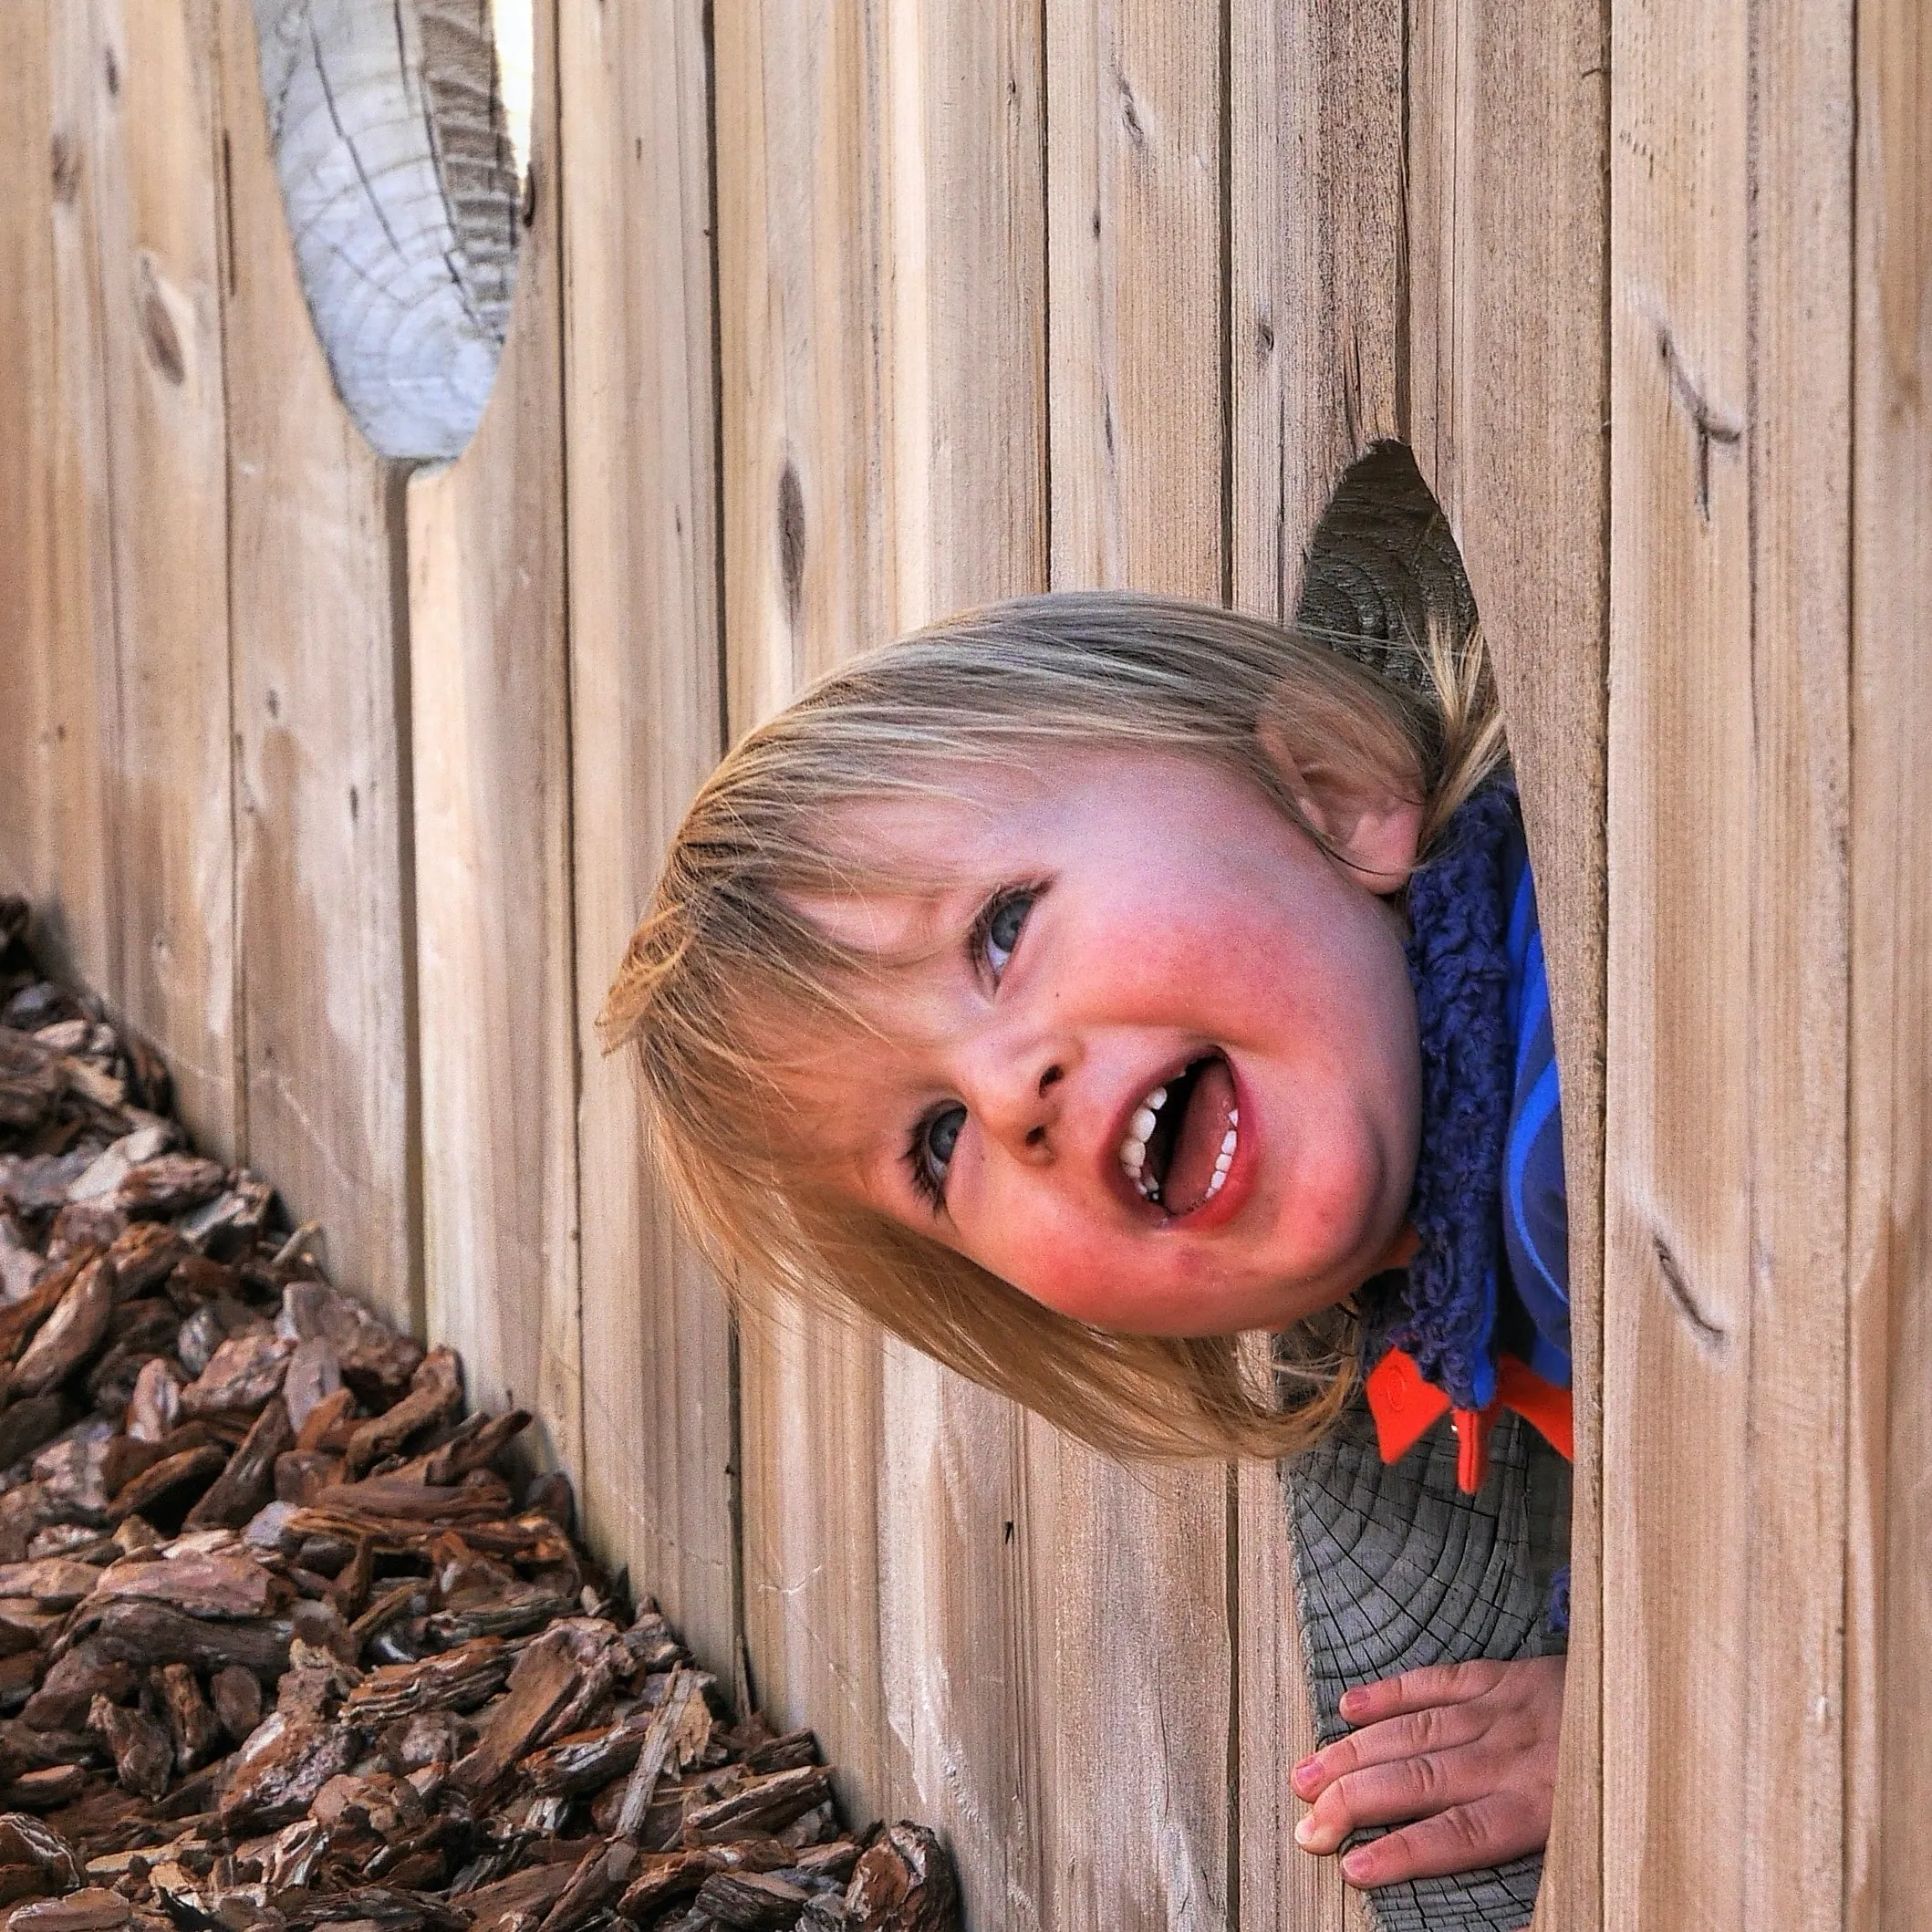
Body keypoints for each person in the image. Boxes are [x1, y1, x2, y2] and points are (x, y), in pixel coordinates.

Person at [601, 592, 1574, 1892]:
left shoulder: (1569, 1156)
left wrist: (1661, 1693)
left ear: (1332, 792)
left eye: (1002, 929)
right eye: (939, 1143)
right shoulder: (1477, 1267)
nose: (1008, 1095)